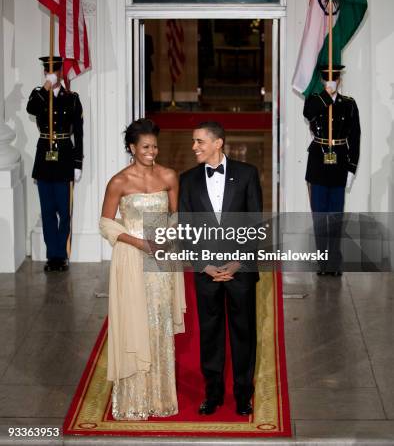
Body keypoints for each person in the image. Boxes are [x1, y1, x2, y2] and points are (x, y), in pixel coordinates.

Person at [99, 118, 186, 420]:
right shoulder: (119, 182)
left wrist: (165, 237)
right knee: (133, 320)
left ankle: (160, 397)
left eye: (155, 146)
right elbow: (106, 223)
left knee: (158, 321)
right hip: (131, 259)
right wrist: (140, 243)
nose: (152, 152)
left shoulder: (169, 176)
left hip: (161, 260)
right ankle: (134, 399)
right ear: (132, 148)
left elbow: (176, 216)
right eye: (146, 147)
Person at [179, 121, 263, 416]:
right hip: (207, 272)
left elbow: (255, 225)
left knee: (243, 333)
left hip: (240, 270)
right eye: (193, 141)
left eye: (199, 141)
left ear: (218, 143)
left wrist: (239, 262)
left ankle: (243, 395)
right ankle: (212, 394)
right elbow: (186, 228)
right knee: (210, 334)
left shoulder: (247, 174)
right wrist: (205, 265)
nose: (194, 147)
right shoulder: (187, 180)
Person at [26, 56, 83, 272]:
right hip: (44, 159)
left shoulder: (72, 99)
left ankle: (62, 254)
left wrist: (78, 163)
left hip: (65, 158)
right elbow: (32, 109)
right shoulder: (39, 94)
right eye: (47, 71)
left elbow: (79, 133)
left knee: (64, 211)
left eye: (54, 71)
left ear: (61, 72)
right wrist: (46, 87)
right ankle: (53, 256)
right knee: (47, 210)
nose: (51, 74)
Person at [303, 65, 361, 276]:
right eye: (327, 79)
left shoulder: (349, 104)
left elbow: (355, 137)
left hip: (339, 163)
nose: (331, 82)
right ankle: (322, 262)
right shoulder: (314, 101)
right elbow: (308, 113)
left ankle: (334, 262)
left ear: (340, 80)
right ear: (321, 81)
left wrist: (352, 168)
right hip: (318, 162)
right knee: (319, 216)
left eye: (335, 78)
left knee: (336, 216)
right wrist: (326, 97)